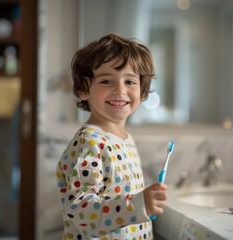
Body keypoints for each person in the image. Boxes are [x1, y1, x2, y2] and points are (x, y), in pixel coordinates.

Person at [56, 33, 167, 240]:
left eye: (130, 81)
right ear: (83, 90)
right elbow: (81, 211)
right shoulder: (89, 142)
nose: (120, 90)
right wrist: (138, 204)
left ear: (142, 92)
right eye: (107, 81)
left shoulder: (126, 139)